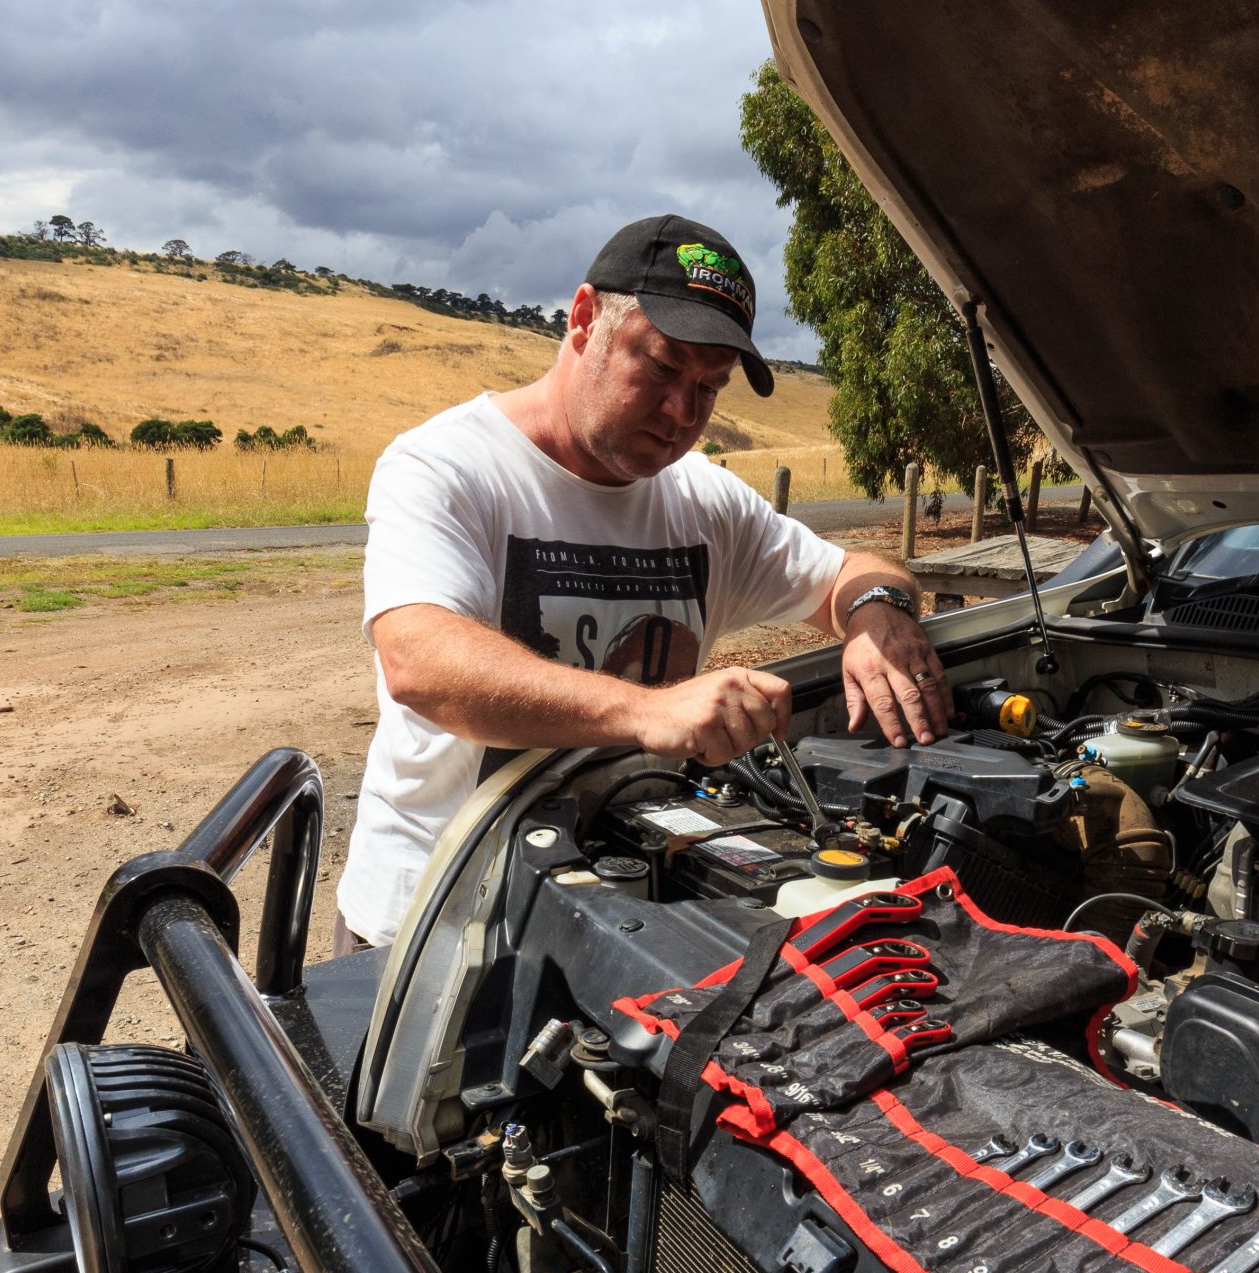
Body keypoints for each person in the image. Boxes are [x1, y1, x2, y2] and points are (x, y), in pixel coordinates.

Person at [334, 214, 949, 950]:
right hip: (438, 932)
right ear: (585, 318)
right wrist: (645, 711)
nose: (682, 414)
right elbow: (421, 663)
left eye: (709, 387)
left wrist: (878, 612)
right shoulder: (447, 466)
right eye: (660, 368)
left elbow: (857, 574)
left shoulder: (704, 502)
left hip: (633, 919)